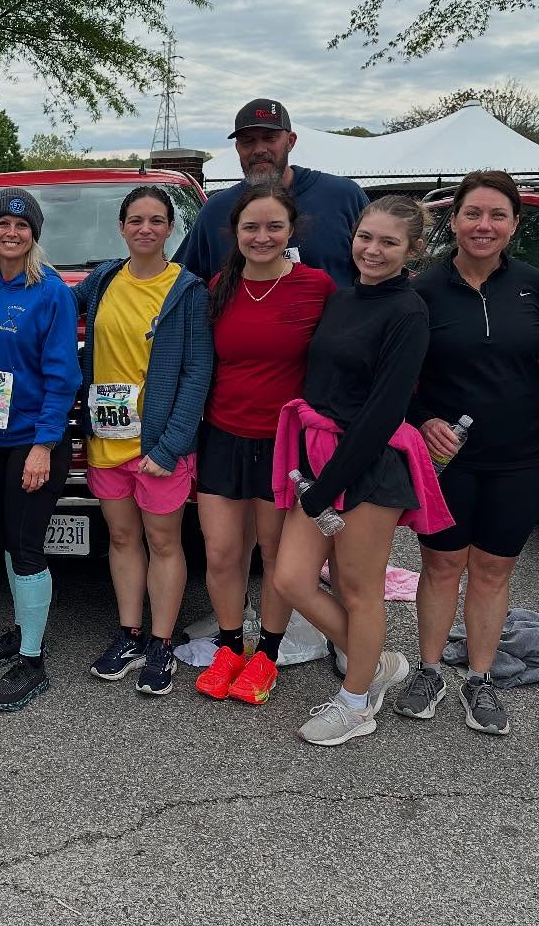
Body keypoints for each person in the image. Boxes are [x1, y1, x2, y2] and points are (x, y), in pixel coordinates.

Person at [270, 196, 453, 746]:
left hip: (369, 467)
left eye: (389, 242)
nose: (373, 250)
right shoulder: (344, 297)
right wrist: (312, 472)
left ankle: (355, 704)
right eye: (366, 237)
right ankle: (375, 663)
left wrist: (328, 487)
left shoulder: (408, 311)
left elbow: (384, 411)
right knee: (290, 578)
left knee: (358, 589)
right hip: (319, 458)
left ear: (412, 250)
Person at [393, 171, 539, 737]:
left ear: (514, 224)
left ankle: (481, 679)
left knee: (493, 569)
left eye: (496, 216)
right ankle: (430, 669)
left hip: (523, 456)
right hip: (447, 459)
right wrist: (422, 421)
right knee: (441, 565)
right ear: (455, 219)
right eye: (472, 214)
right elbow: (395, 382)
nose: (483, 226)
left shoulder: (538, 288)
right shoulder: (421, 291)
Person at [193, 181, 336, 705]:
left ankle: (267, 655)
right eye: (251, 226)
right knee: (224, 551)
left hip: (286, 445)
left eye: (274, 226)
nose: (262, 236)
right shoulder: (217, 287)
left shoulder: (316, 286)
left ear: (290, 230)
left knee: (276, 554)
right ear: (235, 232)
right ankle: (230, 646)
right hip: (222, 437)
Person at [74, 185, 212, 697]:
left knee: (163, 541)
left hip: (157, 448)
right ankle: (129, 633)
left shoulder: (187, 289)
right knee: (123, 539)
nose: (146, 229)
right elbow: (57, 309)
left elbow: (198, 372)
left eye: (156, 220)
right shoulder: (105, 278)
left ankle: (160, 641)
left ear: (171, 228)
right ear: (122, 227)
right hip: (106, 442)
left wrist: (171, 444)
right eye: (136, 220)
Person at [0, 189, 81, 711]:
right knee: (9, 541)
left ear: (34, 234)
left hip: (34, 440)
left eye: (22, 224)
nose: (11, 232)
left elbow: (63, 376)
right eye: (2, 223)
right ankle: (20, 629)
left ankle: (33, 662)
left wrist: (44, 445)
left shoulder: (50, 292)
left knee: (29, 545)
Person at [174, 99, 368, 287]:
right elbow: (181, 285)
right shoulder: (216, 210)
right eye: (248, 141)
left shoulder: (343, 197)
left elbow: (384, 274)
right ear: (237, 148)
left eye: (269, 138)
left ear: (290, 141)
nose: (259, 149)